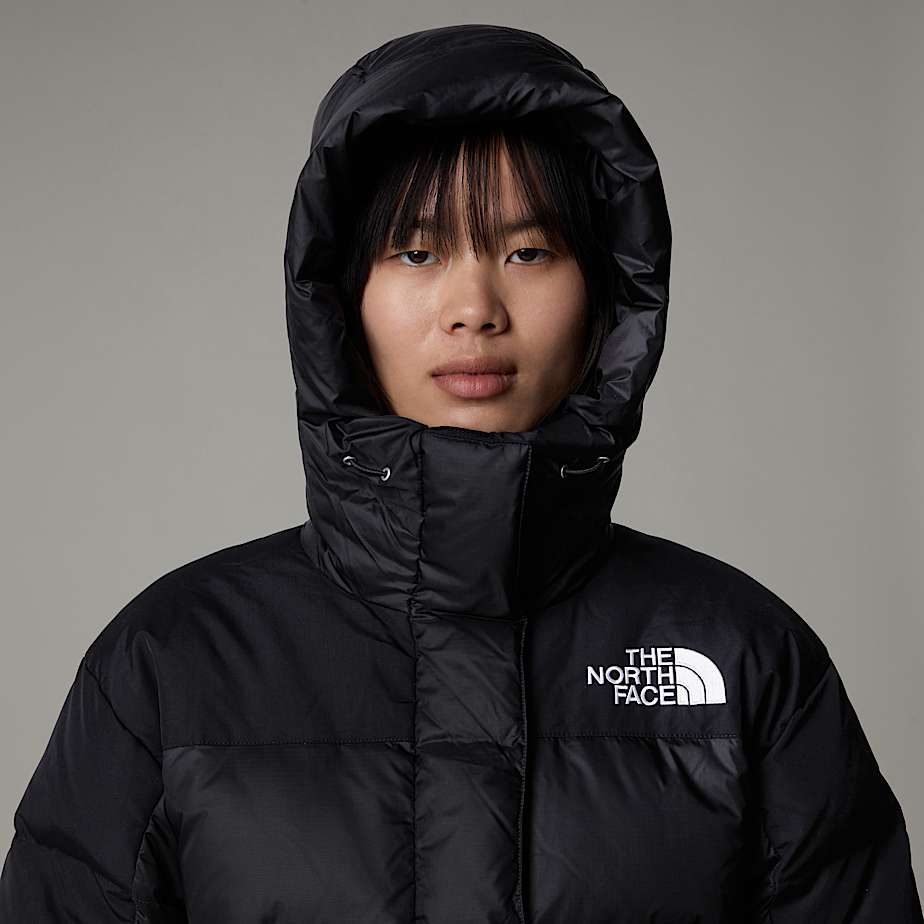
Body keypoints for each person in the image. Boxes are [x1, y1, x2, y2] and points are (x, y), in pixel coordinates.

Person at [1, 21, 921, 923]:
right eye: (417, 251)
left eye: (529, 252)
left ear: (608, 291)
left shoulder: (744, 657)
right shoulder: (170, 663)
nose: (475, 307)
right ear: (337, 298)